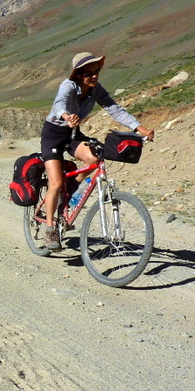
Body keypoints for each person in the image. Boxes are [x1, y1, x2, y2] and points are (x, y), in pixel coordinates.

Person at [40, 52, 154, 250]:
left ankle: (71, 185)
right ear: (78, 75)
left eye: (96, 71)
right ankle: (50, 229)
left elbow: (114, 109)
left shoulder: (95, 90)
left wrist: (138, 127)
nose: (93, 76)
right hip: (53, 134)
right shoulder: (68, 86)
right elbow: (59, 103)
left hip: (73, 133)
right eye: (88, 73)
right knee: (55, 182)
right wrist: (66, 116)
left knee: (94, 158)